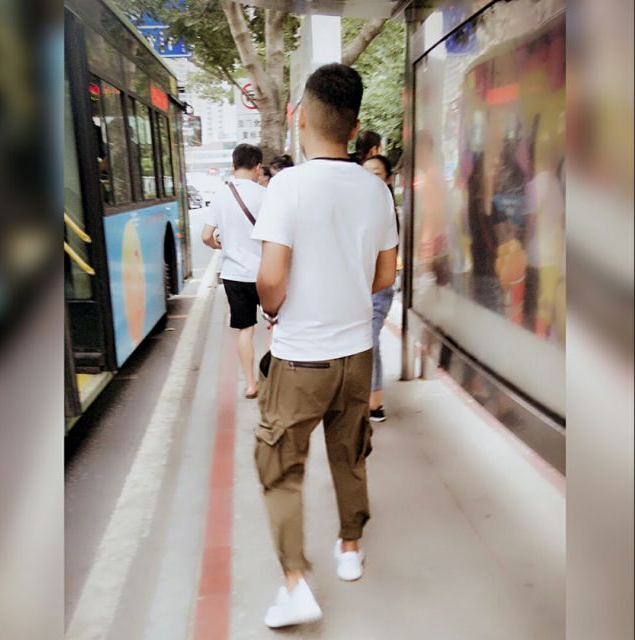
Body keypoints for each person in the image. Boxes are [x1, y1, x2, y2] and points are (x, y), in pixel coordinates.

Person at [252, 63, 398, 628]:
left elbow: (271, 277)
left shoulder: (287, 186)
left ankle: (294, 583)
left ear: (301, 119)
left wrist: (274, 309)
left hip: (299, 357)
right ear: (355, 126)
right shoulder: (377, 190)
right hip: (356, 354)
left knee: (281, 466)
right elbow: (384, 275)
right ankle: (350, 548)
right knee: (350, 451)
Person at [201, 143, 265, 399]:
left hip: (234, 275)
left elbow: (206, 236)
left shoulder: (220, 196)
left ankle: (250, 383)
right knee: (276, 325)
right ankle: (273, 378)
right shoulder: (265, 195)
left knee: (245, 329)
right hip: (265, 273)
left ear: (233, 165)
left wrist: (220, 245)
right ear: (258, 167)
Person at [362, 154, 398, 422]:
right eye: (365, 173)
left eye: (376, 173)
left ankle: (375, 401)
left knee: (370, 338)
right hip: (361, 284)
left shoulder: (386, 209)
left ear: (388, 179)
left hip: (377, 286)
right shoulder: (360, 204)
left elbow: (387, 268)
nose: (369, 179)